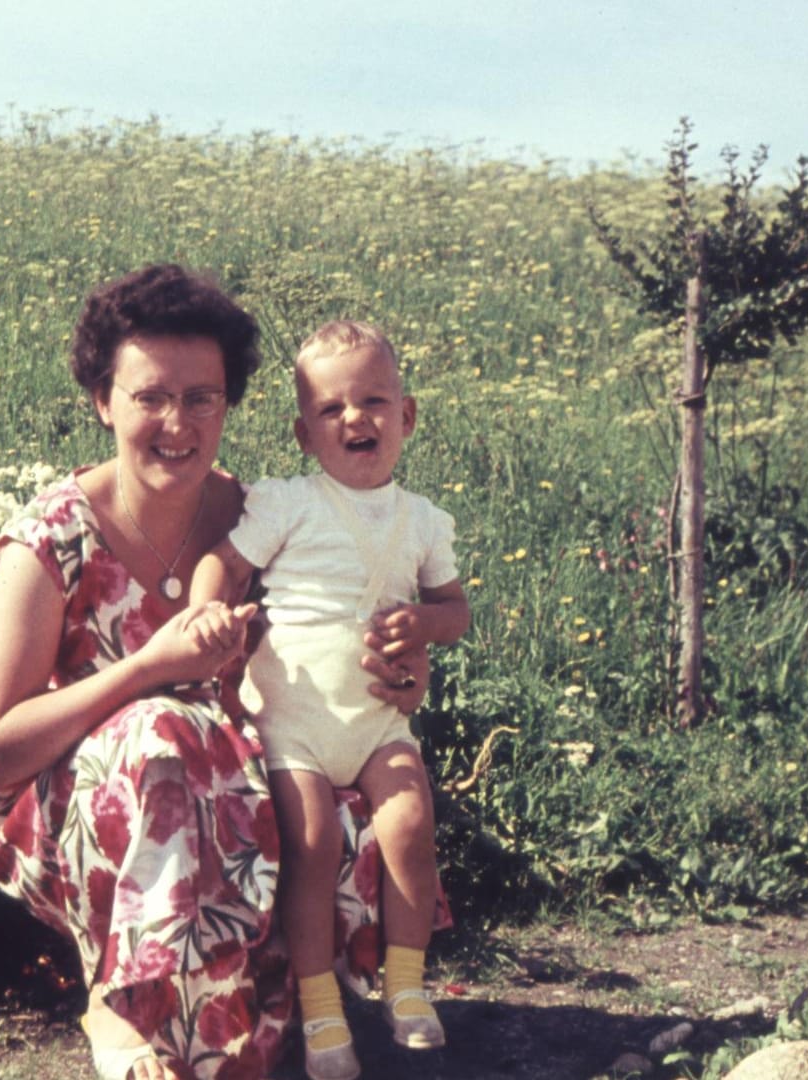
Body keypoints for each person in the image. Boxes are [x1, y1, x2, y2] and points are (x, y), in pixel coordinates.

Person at [0, 268, 442, 1080]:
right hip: (63, 810)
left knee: (252, 1041)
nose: (176, 423)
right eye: (149, 397)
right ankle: (117, 1003)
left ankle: (271, 1003)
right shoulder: (52, 538)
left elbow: (331, 644)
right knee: (164, 732)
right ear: (102, 401)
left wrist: (402, 676)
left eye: (202, 399)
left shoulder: (259, 520)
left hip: (230, 805)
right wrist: (149, 667)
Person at [185, 320, 470, 1080]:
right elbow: (224, 563)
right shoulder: (288, 504)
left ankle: (405, 986)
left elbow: (456, 610)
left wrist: (427, 623)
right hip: (295, 721)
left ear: (407, 417)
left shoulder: (423, 520)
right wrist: (207, 611)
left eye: (375, 401)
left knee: (411, 823)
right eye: (332, 408)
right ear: (304, 432)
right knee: (308, 843)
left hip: (378, 719)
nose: (356, 419)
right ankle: (320, 1010)